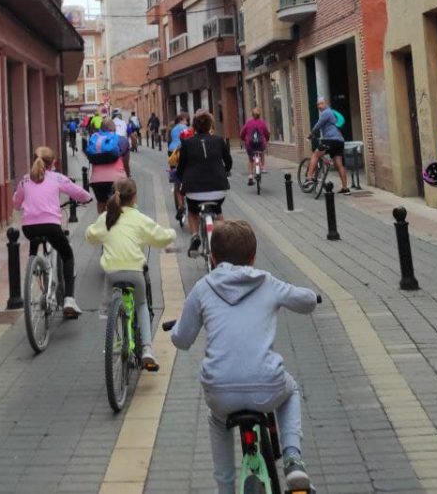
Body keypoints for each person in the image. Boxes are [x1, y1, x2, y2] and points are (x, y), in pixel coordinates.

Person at [170, 220, 317, 493]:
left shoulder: (203, 288)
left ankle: (224, 487)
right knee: (291, 390)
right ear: (253, 257)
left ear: (212, 258)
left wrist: (175, 330)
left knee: (217, 420)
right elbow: (307, 301)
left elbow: (182, 340)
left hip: (220, 391)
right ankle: (293, 459)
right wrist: (311, 295)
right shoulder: (268, 282)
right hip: (268, 386)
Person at [84, 178, 175, 369]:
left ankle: (113, 326)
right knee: (141, 304)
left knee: (111, 299)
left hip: (112, 274)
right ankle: (147, 348)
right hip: (135, 272)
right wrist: (172, 234)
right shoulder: (139, 218)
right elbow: (160, 238)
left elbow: (90, 236)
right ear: (134, 197)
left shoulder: (107, 217)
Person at [14, 145, 94, 316]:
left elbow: (16, 203)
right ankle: (69, 299)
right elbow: (77, 192)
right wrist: (88, 198)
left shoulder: (24, 180)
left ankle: (33, 265)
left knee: (35, 241)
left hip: (29, 228)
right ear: (53, 163)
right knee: (67, 254)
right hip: (51, 225)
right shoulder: (56, 178)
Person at [176, 111, 233, 257]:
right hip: (218, 188)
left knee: (193, 211)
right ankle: (225, 238)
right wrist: (225, 171)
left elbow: (181, 168)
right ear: (210, 126)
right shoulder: (219, 140)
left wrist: (181, 180)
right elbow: (229, 162)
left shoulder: (187, 144)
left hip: (194, 190)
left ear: (194, 127)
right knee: (217, 208)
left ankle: (195, 236)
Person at [306, 96, 349, 193]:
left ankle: (309, 178)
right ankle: (345, 188)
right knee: (339, 164)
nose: (319, 106)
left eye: (321, 104)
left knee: (316, 154)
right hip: (339, 141)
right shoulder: (332, 113)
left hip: (330, 140)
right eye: (318, 104)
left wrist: (311, 134)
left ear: (326, 104)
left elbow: (318, 125)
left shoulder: (326, 113)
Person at [88, 118, 131, 214]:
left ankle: (102, 223)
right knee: (119, 205)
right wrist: (128, 177)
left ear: (101, 129)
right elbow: (126, 163)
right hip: (117, 180)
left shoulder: (94, 139)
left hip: (97, 180)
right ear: (114, 129)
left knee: (101, 203)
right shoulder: (121, 140)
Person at [166, 111, 191, 222]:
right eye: (186, 119)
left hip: (172, 152)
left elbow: (170, 140)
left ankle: (180, 205)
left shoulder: (173, 128)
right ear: (183, 119)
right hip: (183, 151)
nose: (187, 121)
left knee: (177, 179)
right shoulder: (185, 128)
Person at [239, 108, 270, 186]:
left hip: (250, 145)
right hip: (260, 145)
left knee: (250, 160)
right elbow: (267, 133)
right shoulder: (262, 123)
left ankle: (250, 176)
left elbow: (242, 133)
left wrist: (243, 139)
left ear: (252, 115)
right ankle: (262, 167)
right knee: (262, 153)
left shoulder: (248, 123)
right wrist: (267, 139)